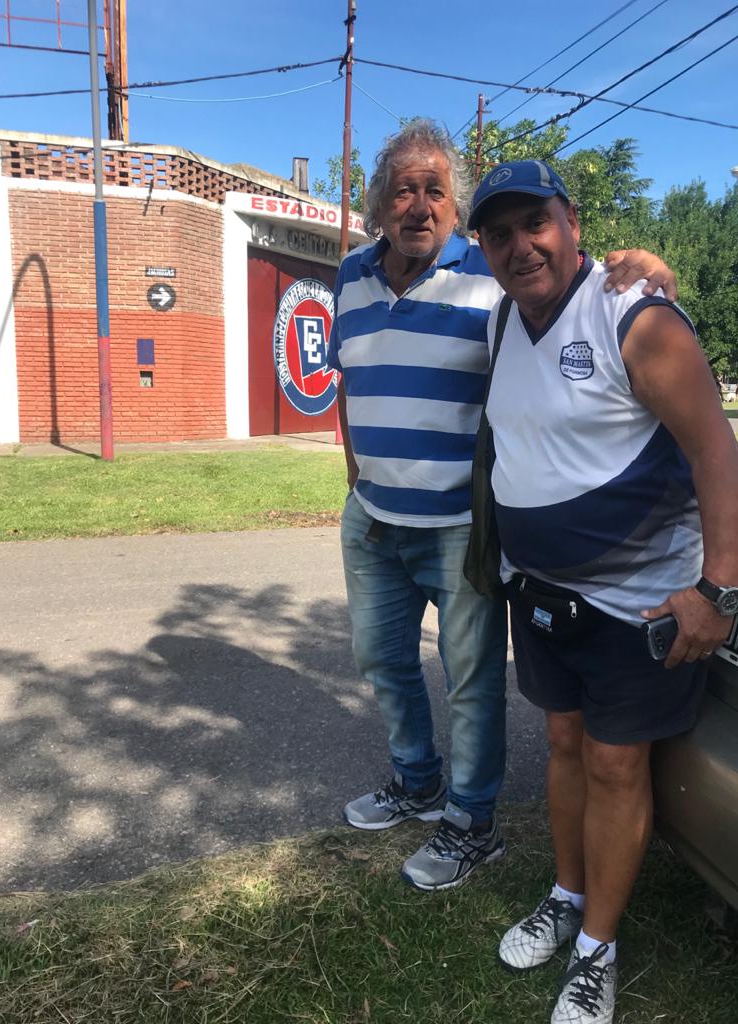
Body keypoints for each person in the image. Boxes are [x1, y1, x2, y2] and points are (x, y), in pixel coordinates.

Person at [326, 119, 679, 894]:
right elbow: (349, 381)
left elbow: (573, 291)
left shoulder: (490, 275)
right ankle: (416, 781)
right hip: (374, 522)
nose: (419, 206)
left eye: (435, 191)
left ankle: (472, 822)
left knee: (471, 682)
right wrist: (357, 476)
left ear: (456, 211)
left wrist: (645, 266)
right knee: (382, 661)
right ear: (378, 204)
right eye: (403, 190)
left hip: (462, 527)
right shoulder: (349, 276)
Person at [467, 159, 738, 1024]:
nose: (520, 246)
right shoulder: (500, 319)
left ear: (572, 223)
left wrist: (720, 591)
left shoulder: (633, 313)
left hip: (642, 606)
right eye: (499, 234)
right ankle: (566, 894)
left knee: (618, 765)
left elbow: (717, 451)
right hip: (544, 596)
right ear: (483, 250)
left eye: (535, 223)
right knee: (564, 744)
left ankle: (597, 950)